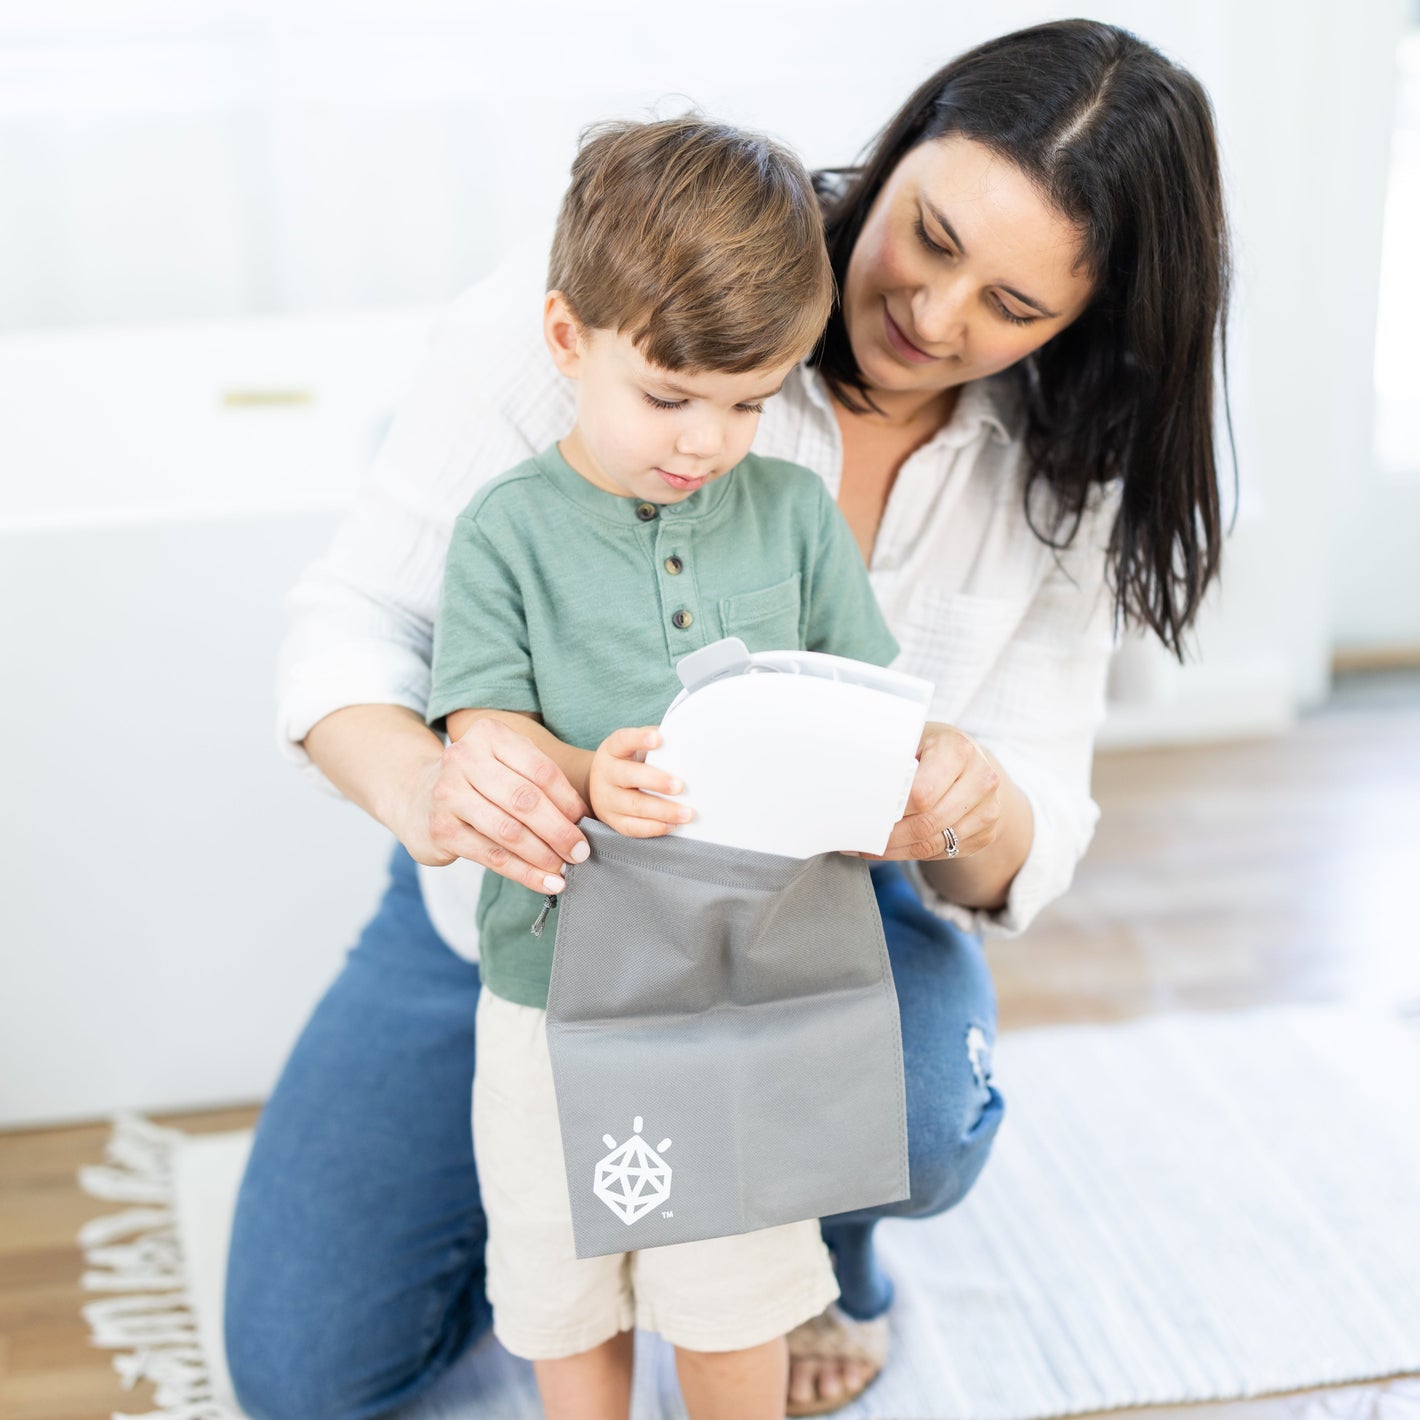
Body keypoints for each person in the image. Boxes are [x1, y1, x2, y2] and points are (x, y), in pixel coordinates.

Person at [225, 18, 1231, 1420]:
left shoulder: (1056, 472)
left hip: (800, 928)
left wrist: (967, 801)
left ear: (1088, 320)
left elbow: (1032, 820)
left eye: (1014, 305)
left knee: (921, 1112)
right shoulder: (637, 298)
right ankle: (604, 1209)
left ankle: (819, 1245)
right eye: (928, 237)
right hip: (517, 916)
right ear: (893, 157)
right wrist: (431, 784)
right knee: (313, 1370)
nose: (936, 319)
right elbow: (355, 622)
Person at [430, 114, 901, 1420]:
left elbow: (865, 706)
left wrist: (893, 789)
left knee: (736, 1288)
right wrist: (583, 774)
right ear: (569, 340)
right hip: (552, 993)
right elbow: (480, 733)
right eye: (669, 396)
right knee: (563, 1273)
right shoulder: (508, 532)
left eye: (749, 402)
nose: (707, 440)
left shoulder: (796, 516)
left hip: (748, 992)